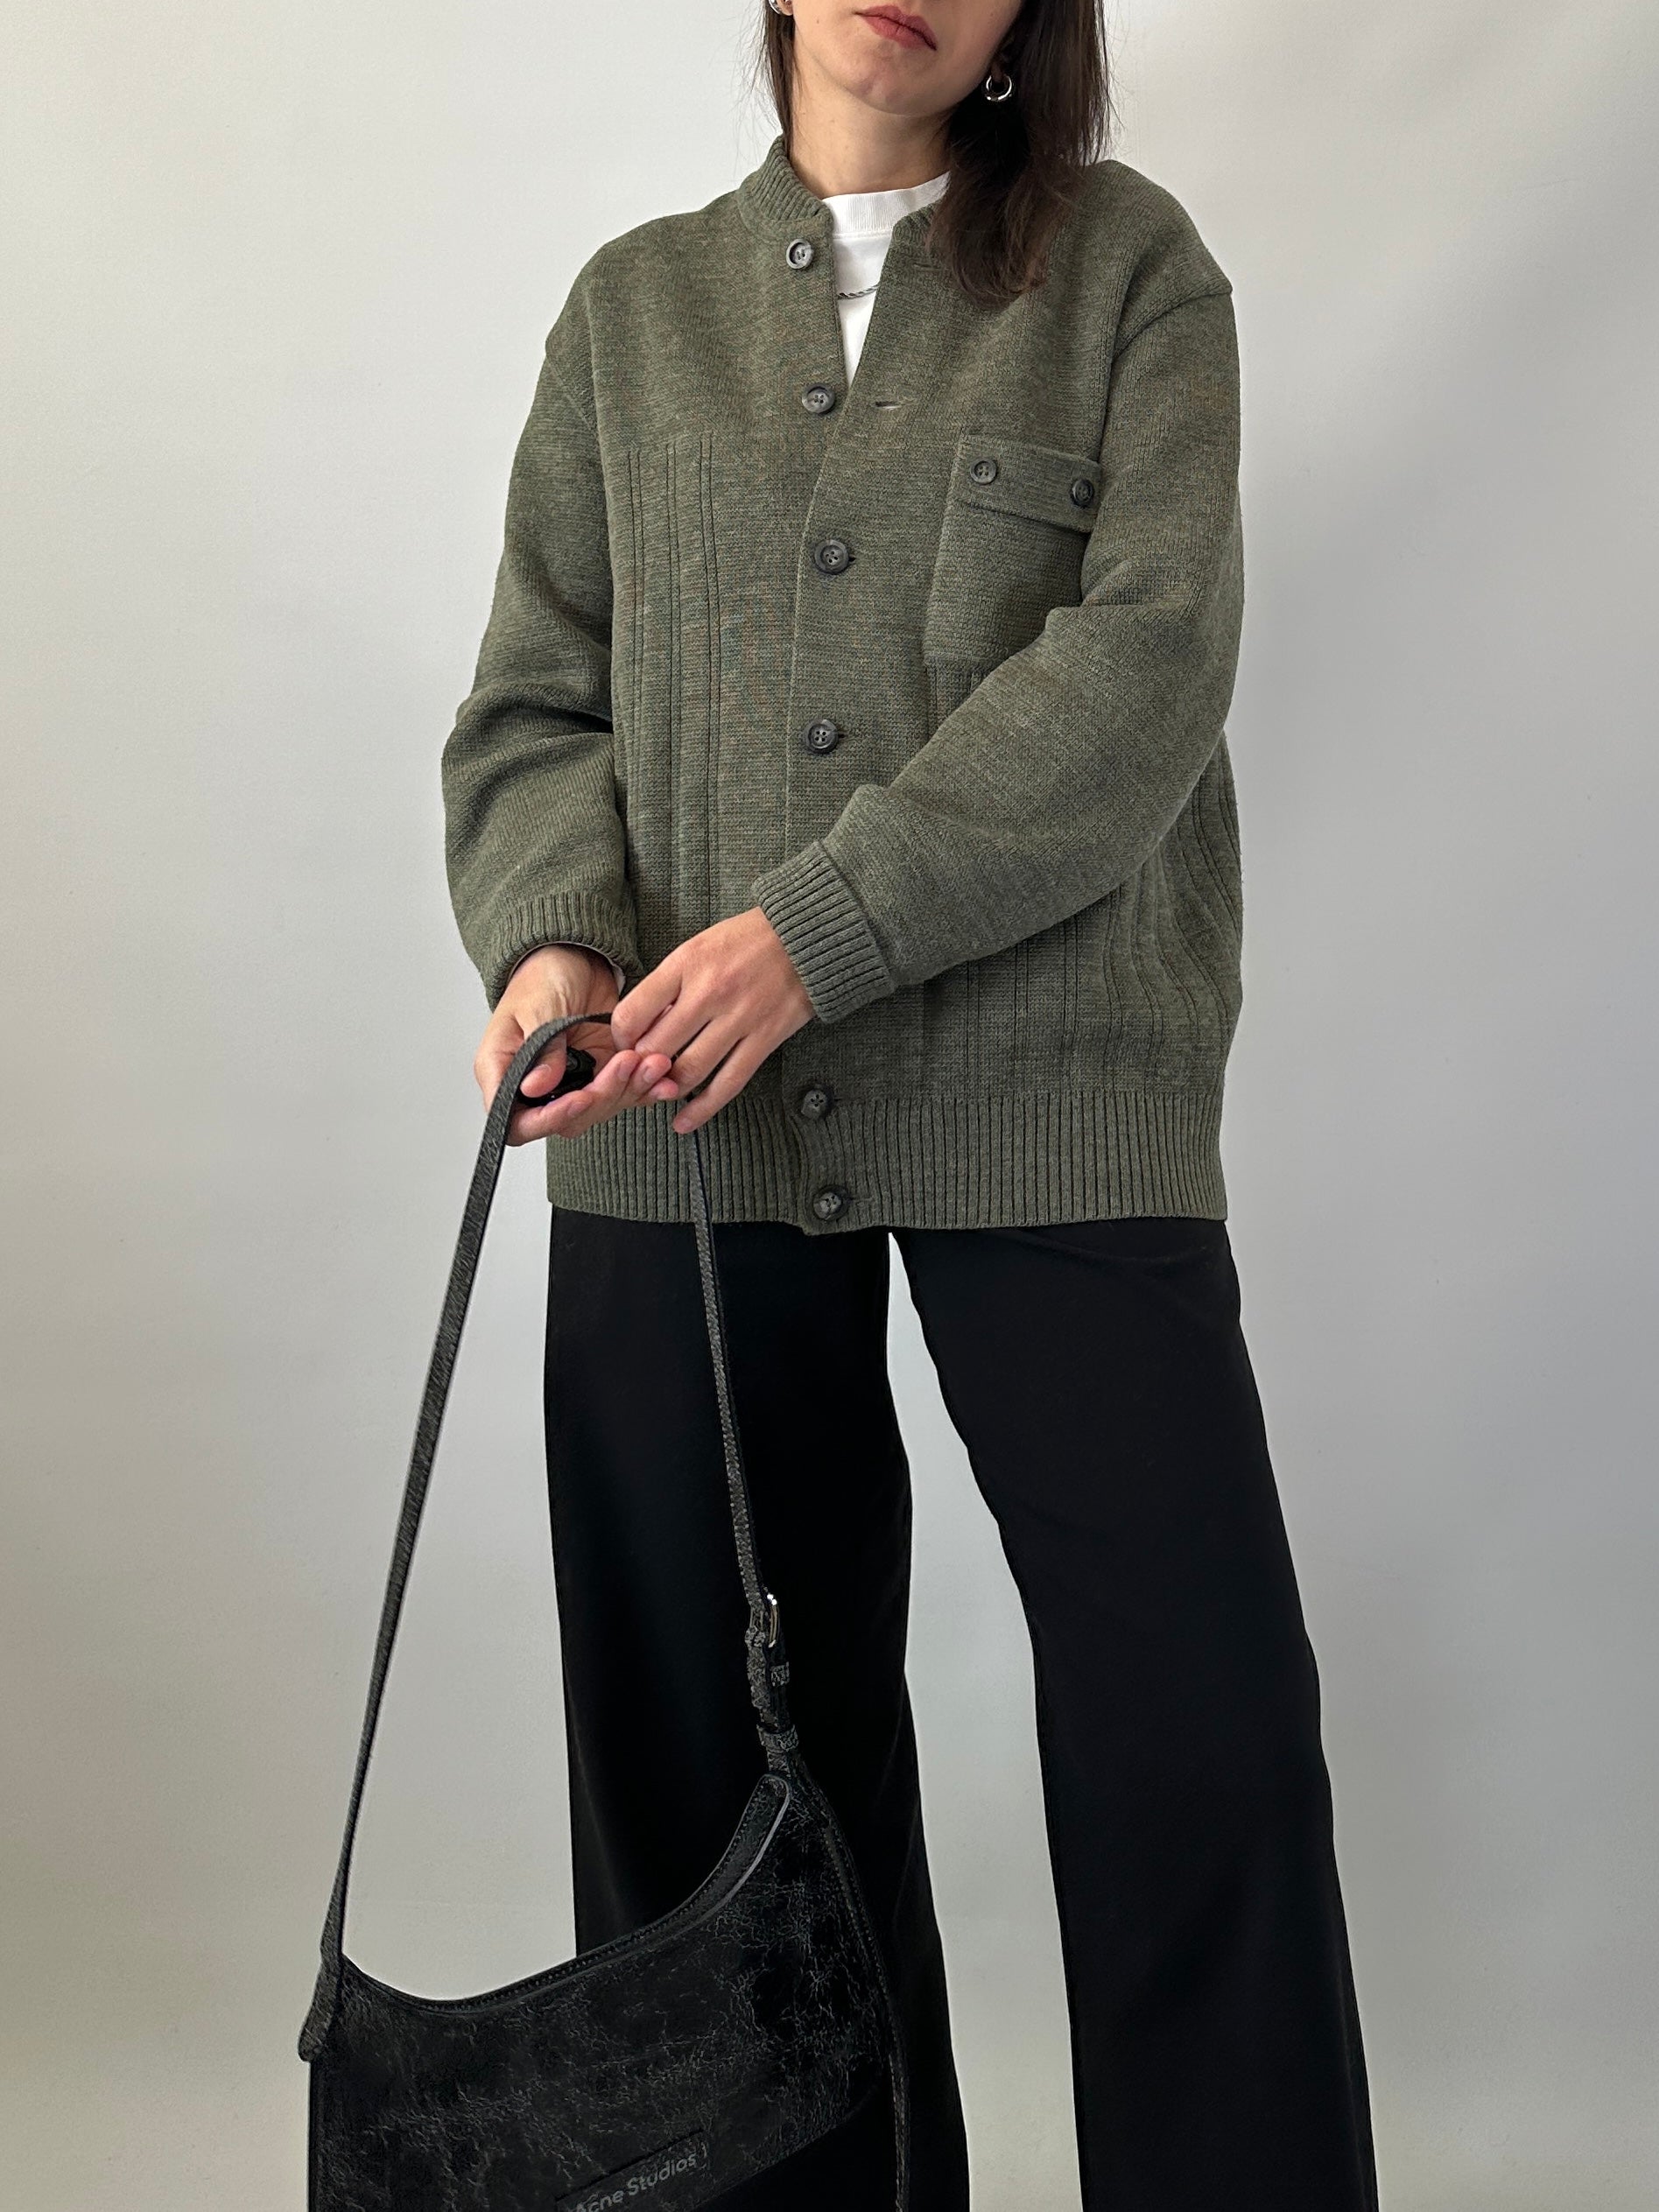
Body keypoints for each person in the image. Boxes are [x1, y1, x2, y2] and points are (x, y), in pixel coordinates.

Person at [439, 4, 1380, 2207]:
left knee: (1199, 1731)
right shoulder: (630, 315)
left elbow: (1145, 667)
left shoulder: (1133, 274)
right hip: (675, 1115)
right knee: (712, 1781)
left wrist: (818, 934)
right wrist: (553, 943)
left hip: (1060, 1087)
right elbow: (534, 696)